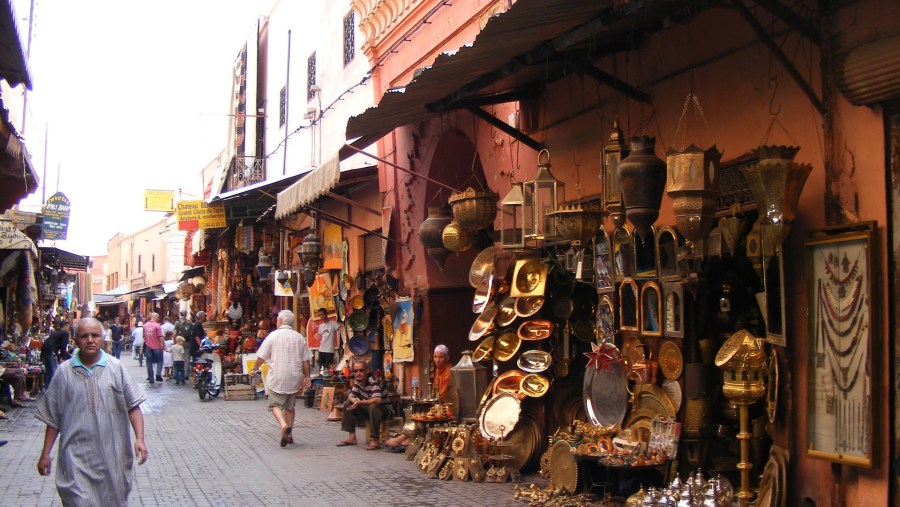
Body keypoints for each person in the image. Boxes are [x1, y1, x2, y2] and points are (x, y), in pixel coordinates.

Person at [35, 317, 148, 505]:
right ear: (75, 340)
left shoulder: (116, 368)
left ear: (102, 339)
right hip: (75, 459)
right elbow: (53, 418)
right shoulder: (63, 372)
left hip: (113, 457)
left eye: (95, 335)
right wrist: (45, 453)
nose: (90, 340)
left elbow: (133, 405)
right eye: (84, 336)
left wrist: (140, 439)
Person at [253, 310, 312, 447]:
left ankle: (284, 425)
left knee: (274, 404)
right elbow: (306, 360)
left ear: (280, 321)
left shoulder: (273, 336)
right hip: (294, 376)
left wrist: (255, 368)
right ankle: (290, 435)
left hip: (277, 376)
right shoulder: (299, 337)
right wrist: (307, 376)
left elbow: (262, 357)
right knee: (290, 406)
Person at [336, 360, 385, 450]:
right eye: (356, 371)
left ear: (366, 370)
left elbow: (378, 400)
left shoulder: (373, 380)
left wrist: (361, 402)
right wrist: (354, 400)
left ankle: (375, 440)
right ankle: (352, 437)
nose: (358, 373)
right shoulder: (358, 381)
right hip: (369, 410)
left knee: (373, 406)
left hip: (384, 410)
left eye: (361, 370)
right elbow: (350, 396)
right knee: (347, 404)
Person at [1, 340, 34, 407]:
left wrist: (8, 364)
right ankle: (22, 394)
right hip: (1, 371)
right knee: (19, 371)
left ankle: (16, 400)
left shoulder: (5, 352)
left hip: (2, 369)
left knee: (18, 377)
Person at [41, 321, 70, 388]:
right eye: (68, 326)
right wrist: (64, 357)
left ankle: (47, 388)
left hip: (46, 351)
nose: (68, 328)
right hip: (51, 351)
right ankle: (52, 389)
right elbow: (63, 346)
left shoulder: (57, 332)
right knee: (53, 371)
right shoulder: (65, 333)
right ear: (65, 326)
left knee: (49, 371)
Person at [315, 308, 340, 373]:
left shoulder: (333, 324)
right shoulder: (321, 326)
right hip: (321, 350)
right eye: (320, 315)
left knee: (327, 369)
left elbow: (340, 330)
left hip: (329, 350)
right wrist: (318, 351)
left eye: (323, 314)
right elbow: (321, 339)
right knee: (320, 369)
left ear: (326, 314)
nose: (321, 316)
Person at [143, 313, 165, 385]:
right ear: (154, 317)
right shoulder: (157, 326)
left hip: (148, 347)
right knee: (160, 361)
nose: (158, 319)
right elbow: (160, 337)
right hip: (157, 347)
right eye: (157, 317)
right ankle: (158, 373)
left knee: (149, 363)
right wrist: (163, 345)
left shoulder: (145, 326)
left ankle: (151, 378)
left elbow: (144, 337)